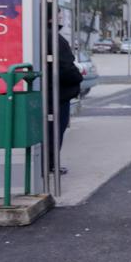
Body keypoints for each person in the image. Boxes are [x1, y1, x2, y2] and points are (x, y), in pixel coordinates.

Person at [47, 9, 83, 174]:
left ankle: (47, 163)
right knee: (55, 130)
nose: (61, 19)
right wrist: (78, 77)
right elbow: (66, 68)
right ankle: (50, 164)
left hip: (49, 91)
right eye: (58, 15)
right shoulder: (55, 39)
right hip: (58, 94)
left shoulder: (39, 35)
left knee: (50, 129)